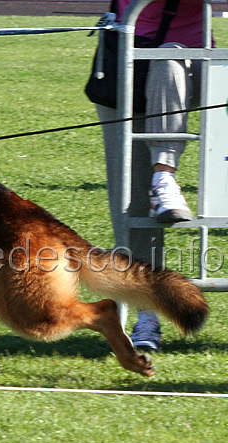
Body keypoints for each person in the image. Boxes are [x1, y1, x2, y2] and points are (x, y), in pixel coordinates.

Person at [95, 0, 210, 351]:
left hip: (187, 62)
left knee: (169, 56)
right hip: (123, 61)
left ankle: (164, 176)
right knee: (130, 209)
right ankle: (147, 315)